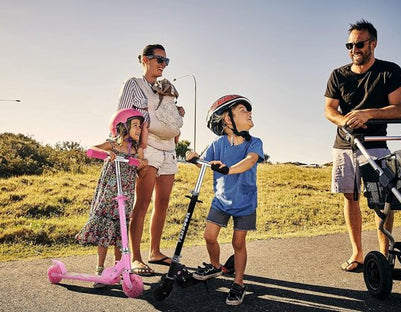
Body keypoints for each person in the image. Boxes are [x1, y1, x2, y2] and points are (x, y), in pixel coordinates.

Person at [324, 20, 401, 272]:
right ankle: (357, 253)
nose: (354, 49)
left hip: (375, 145)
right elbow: (329, 109)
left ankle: (384, 256)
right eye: (349, 45)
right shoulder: (338, 75)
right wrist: (345, 121)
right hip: (344, 145)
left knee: (381, 201)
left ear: (373, 44)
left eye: (359, 44)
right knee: (350, 197)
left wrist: (367, 114)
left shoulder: (390, 71)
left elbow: (400, 109)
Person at [186, 95, 264, 305]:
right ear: (227, 120)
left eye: (248, 111)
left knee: (238, 243)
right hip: (221, 199)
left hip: (245, 201)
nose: (249, 113)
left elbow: (250, 161)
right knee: (209, 236)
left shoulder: (254, 143)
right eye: (242, 110)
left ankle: (238, 283)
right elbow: (205, 162)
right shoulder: (218, 143)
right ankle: (215, 266)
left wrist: (228, 169)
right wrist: (194, 158)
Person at [117, 44, 184, 275]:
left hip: (168, 149)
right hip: (149, 149)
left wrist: (175, 114)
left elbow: (168, 121)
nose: (163, 64)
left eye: (166, 60)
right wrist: (130, 150)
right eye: (159, 59)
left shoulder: (166, 89)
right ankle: (136, 257)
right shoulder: (134, 84)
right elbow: (123, 116)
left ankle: (155, 251)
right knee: (142, 202)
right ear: (145, 59)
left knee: (162, 203)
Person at [75, 108, 148, 287]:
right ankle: (99, 270)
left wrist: (143, 164)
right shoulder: (112, 145)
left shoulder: (136, 150)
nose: (139, 129)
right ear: (123, 127)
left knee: (120, 234)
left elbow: (142, 174)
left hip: (126, 197)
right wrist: (107, 154)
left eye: (141, 126)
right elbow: (92, 148)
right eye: (136, 125)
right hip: (109, 196)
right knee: (105, 234)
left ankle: (118, 269)